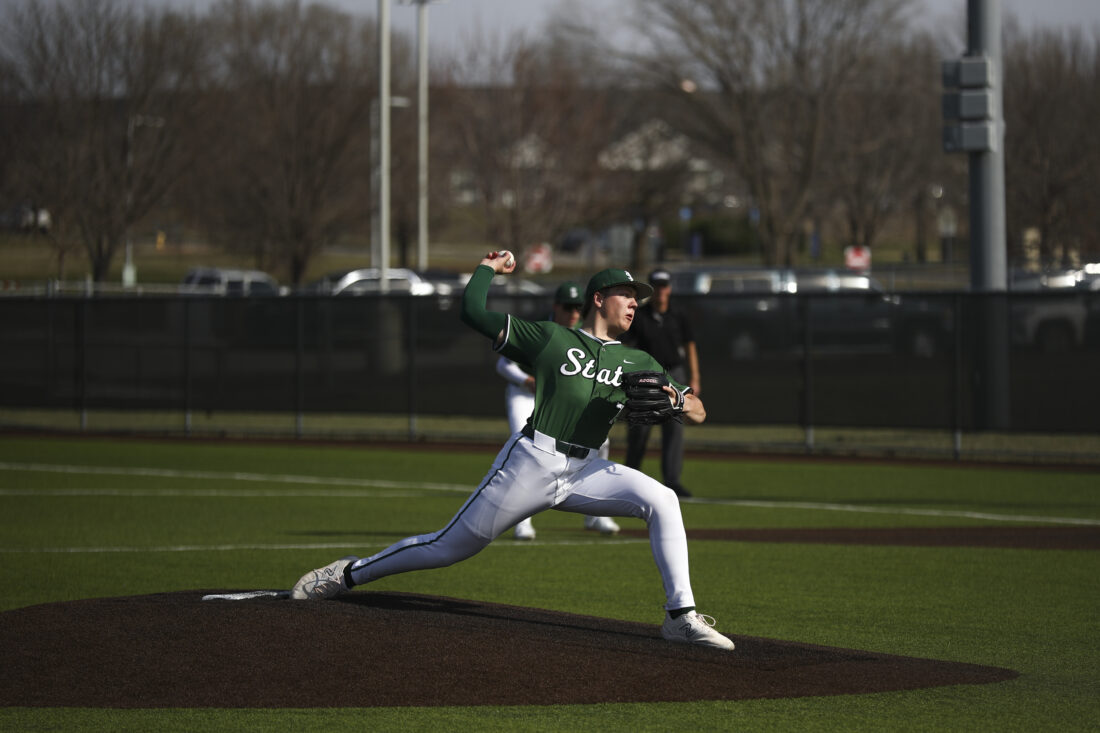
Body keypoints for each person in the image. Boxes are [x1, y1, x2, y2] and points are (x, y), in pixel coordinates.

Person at [290, 253, 734, 651]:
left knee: (664, 499)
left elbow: (698, 411)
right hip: (532, 462)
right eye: (625, 294)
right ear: (598, 299)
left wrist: (677, 400)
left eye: (637, 297)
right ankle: (348, 574)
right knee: (447, 548)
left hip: (586, 470)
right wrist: (487, 269)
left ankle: (680, 616)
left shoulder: (640, 362)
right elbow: (472, 312)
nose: (636, 302)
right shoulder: (551, 339)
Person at [498, 281, 619, 540]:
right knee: (525, 449)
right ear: (556, 307)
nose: (574, 313)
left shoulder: (584, 333)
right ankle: (522, 521)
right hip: (525, 394)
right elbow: (503, 365)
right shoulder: (539, 329)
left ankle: (596, 515)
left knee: (602, 442)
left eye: (578, 307)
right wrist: (525, 380)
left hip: (560, 398)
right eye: (568, 307)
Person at [622, 269, 699, 498]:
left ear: (670, 289)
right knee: (640, 428)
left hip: (674, 376)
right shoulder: (641, 316)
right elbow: (627, 346)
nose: (662, 291)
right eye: (657, 286)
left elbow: (690, 345)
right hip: (646, 377)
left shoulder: (678, 315)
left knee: (674, 428)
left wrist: (695, 377)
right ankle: (630, 477)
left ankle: (672, 480)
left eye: (665, 286)